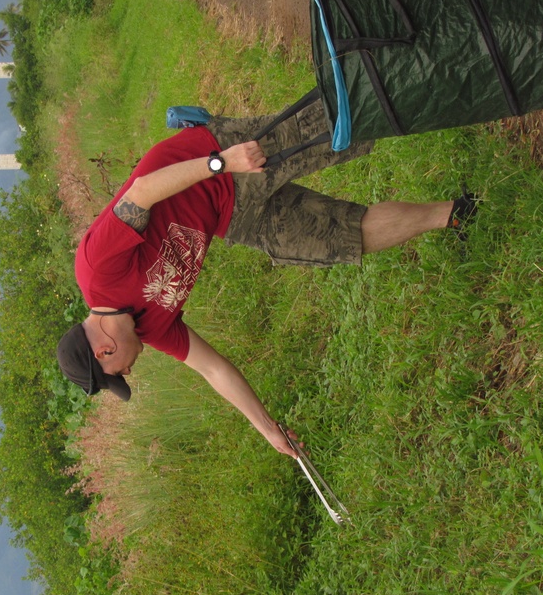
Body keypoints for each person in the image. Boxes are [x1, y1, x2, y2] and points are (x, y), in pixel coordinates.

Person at [56, 100, 477, 458]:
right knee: (339, 239)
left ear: (105, 350)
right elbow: (213, 369)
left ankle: (435, 88)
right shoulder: (149, 328)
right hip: (232, 218)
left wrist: (221, 161)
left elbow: (142, 191)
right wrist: (267, 428)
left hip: (221, 161)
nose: (129, 370)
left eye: (119, 373)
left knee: (343, 127)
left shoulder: (96, 270)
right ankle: (458, 213)